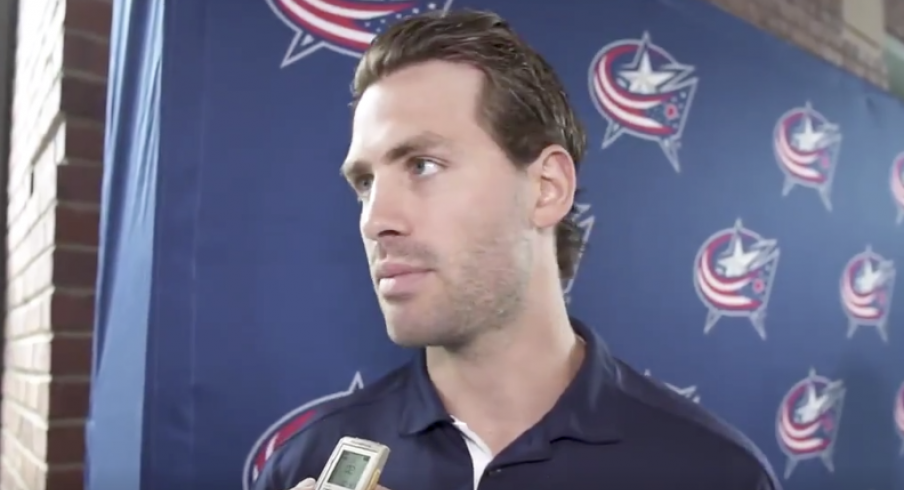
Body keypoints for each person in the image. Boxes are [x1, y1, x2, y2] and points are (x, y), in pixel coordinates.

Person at [253, 9, 780, 490]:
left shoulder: (712, 473)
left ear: (546, 187)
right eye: (365, 183)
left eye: (422, 165)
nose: (375, 220)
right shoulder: (307, 463)